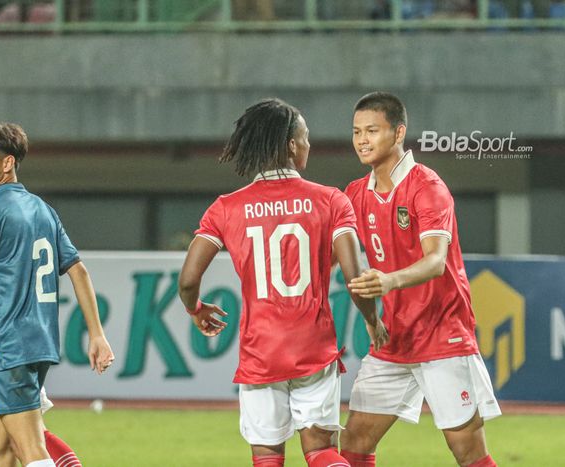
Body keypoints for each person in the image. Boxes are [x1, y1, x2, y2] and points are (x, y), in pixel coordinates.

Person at [178, 98, 388, 467]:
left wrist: (195, 309)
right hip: (314, 347)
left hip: (261, 353)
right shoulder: (332, 201)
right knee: (322, 452)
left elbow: (188, 280)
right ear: (292, 145)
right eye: (305, 137)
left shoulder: (227, 207)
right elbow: (356, 277)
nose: (309, 144)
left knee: (267, 458)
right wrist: (372, 321)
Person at [339, 92, 501, 467]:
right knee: (355, 441)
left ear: (398, 134)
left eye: (372, 131)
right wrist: (371, 317)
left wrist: (389, 282)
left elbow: (435, 262)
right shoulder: (355, 194)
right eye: (357, 131)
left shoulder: (426, 186)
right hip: (394, 338)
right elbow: (332, 257)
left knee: (467, 450)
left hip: (442, 333)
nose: (362, 140)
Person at [0, 122, 115, 467]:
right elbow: (78, 270)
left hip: (5, 344)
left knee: (31, 449)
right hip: (38, 342)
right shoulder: (43, 210)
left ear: (7, 163)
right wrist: (98, 335)